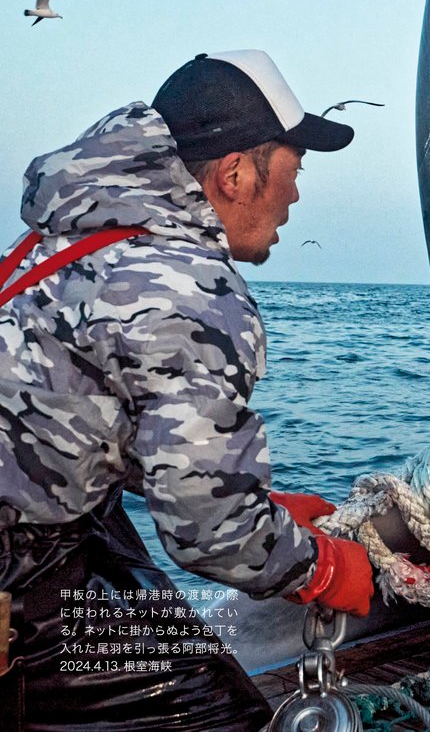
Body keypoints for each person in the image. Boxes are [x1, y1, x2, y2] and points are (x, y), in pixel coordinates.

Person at [0, 50, 376, 730]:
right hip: (22, 580)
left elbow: (70, 416)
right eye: (294, 169)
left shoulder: (57, 245)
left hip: (43, 534)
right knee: (214, 717)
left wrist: (258, 504)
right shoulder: (190, 288)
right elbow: (209, 532)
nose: (295, 195)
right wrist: (322, 569)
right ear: (235, 174)